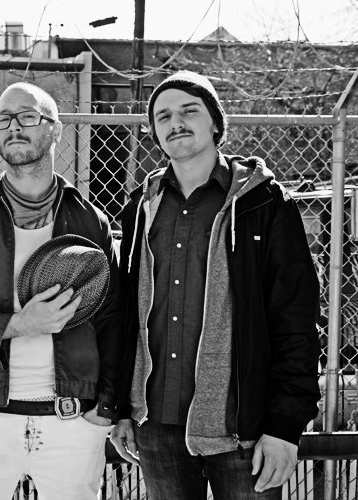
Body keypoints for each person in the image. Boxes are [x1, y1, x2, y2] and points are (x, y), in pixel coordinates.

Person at [111, 70, 320, 499]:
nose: (175, 123)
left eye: (189, 111)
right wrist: (120, 408)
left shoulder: (264, 203)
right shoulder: (140, 208)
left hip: (245, 432)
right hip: (157, 425)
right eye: (163, 116)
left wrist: (285, 425)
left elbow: (295, 318)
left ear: (215, 124)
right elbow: (123, 316)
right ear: (155, 132)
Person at [0, 82, 122, 500]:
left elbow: (113, 319)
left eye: (28, 117)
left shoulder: (91, 222)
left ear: (56, 129)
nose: (14, 127)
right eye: (3, 119)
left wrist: (105, 407)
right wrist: (16, 325)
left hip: (72, 423)